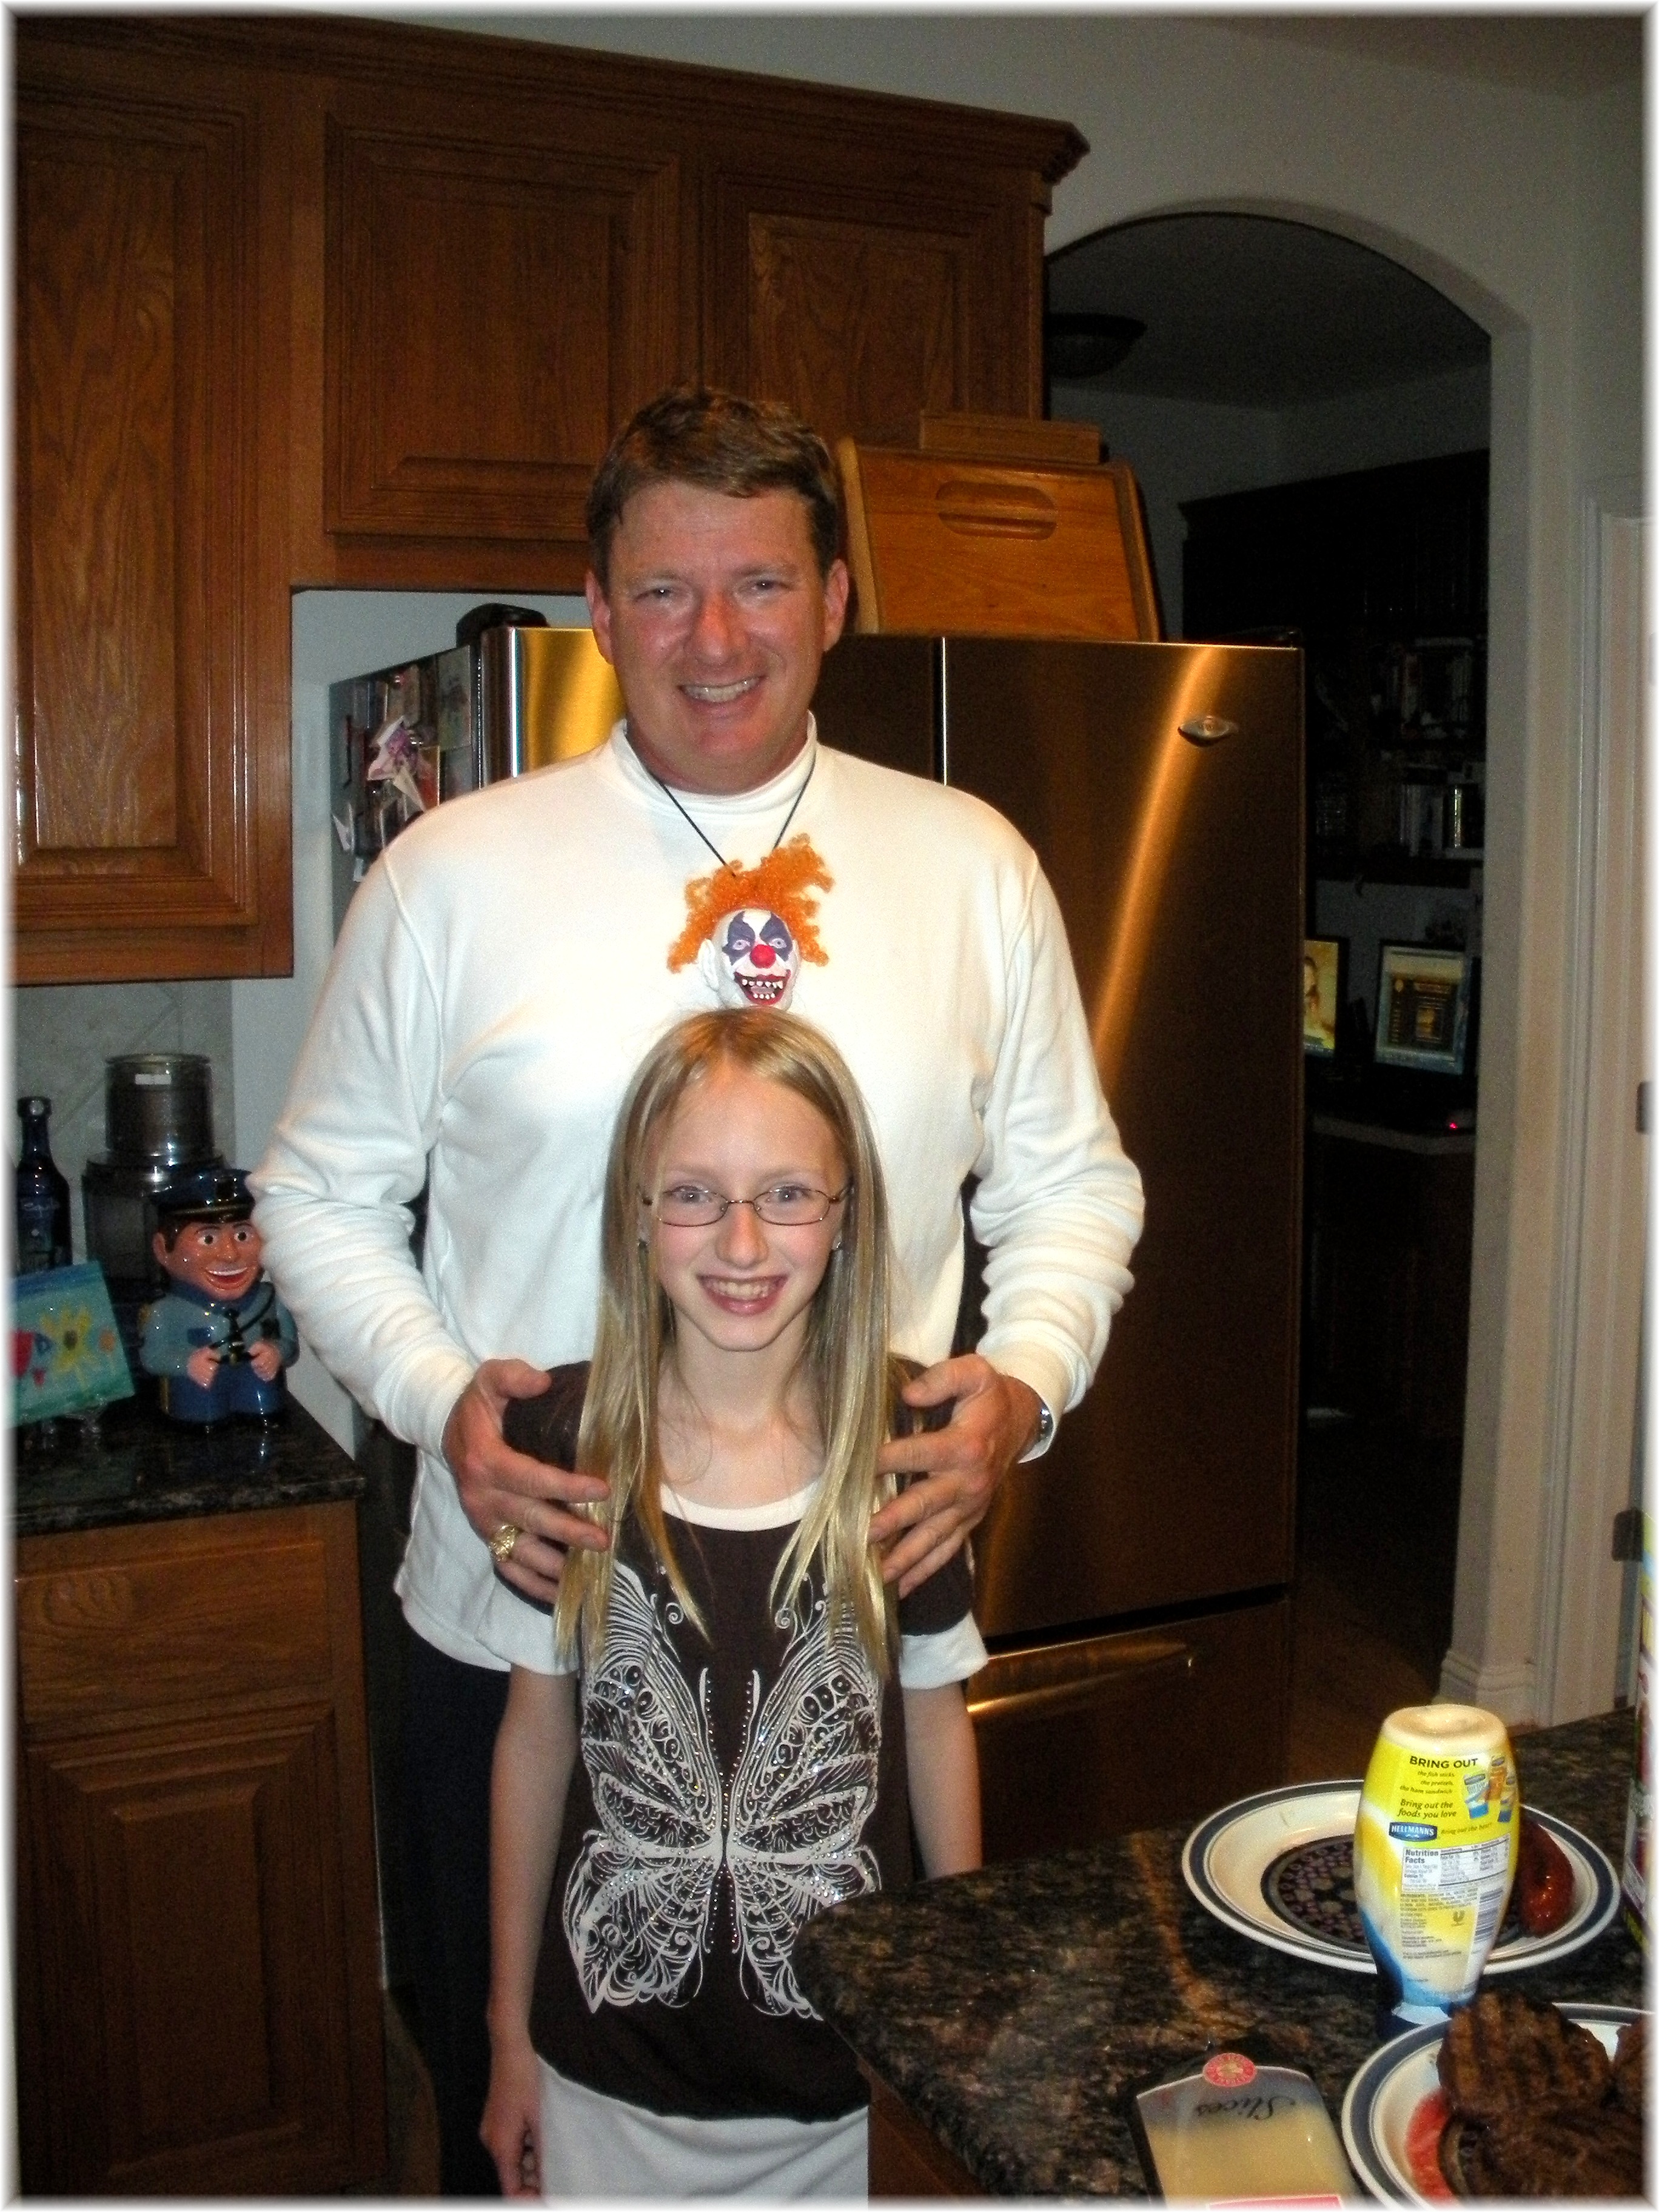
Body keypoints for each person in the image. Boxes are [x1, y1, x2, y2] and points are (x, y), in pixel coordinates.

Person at [251, 386, 1143, 2193]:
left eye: (759, 582)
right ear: (598, 607)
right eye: (662, 589)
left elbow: (1073, 1187)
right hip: (524, 1629)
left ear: (835, 598)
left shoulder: (970, 862)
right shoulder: (450, 874)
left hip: (853, 1637)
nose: (713, 637)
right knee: (519, 2110)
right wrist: (439, 1404)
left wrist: (1023, 1384)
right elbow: (316, 1195)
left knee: (857, 2108)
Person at [481, 1008, 984, 2197]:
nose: (743, 1241)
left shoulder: (908, 1449)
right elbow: (536, 1741)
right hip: (601, 2087)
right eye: (695, 1194)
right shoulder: (564, 1444)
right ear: (635, 1212)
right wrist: (506, 2035)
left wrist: (960, 2001)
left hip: (843, 2094)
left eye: (789, 1194)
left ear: (847, 1214)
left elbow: (934, 1729)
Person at [141, 1167, 298, 1426]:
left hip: (258, 1379)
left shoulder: (271, 1299)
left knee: (266, 1415)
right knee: (203, 1420)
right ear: (163, 1250)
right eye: (208, 1239)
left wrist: (277, 1351)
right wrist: (186, 1364)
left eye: (243, 1235)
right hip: (199, 1386)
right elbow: (152, 1357)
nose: (230, 1254)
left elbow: (289, 1343)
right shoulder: (165, 1311)